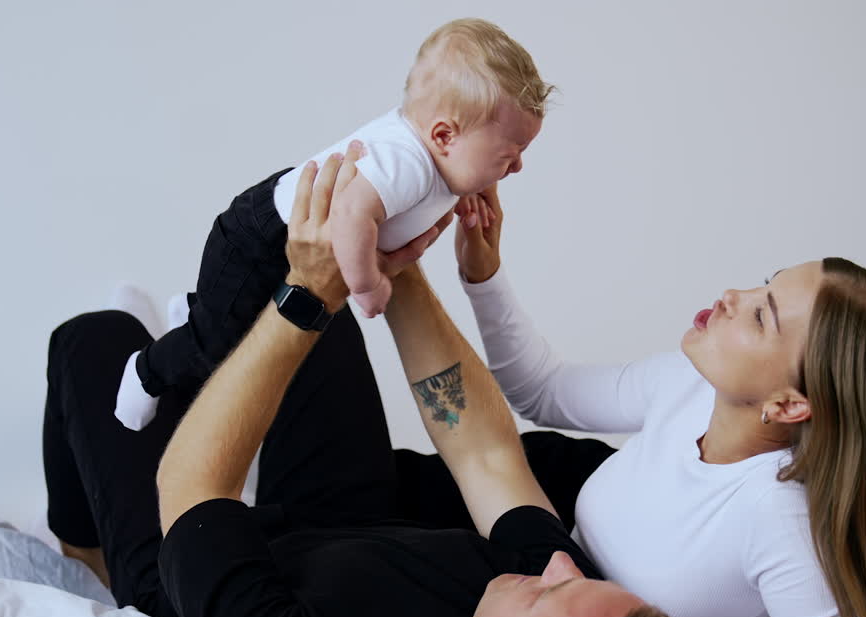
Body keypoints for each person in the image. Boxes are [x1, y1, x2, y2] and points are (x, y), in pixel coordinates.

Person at [42, 146, 693, 617]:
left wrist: (307, 294)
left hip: (196, 567)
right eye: (574, 578)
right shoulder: (548, 590)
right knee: (320, 313)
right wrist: (392, 256)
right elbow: (485, 453)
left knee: (94, 340)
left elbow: (194, 483)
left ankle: (86, 552)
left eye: (545, 597)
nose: (558, 563)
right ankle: (193, 355)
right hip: (347, 523)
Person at [402, 183, 866, 617]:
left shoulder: (774, 516)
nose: (732, 295)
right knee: (371, 480)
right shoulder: (691, 384)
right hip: (551, 502)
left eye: (761, 316)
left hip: (543, 577)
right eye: (764, 283)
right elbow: (544, 390)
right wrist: (483, 274)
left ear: (788, 405)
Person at [113, 17, 544, 431]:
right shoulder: (405, 162)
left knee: (249, 333)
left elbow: (434, 182)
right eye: (509, 155)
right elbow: (352, 214)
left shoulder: (438, 157)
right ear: (445, 137)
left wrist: (467, 184)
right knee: (219, 349)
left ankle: (201, 312)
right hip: (260, 239)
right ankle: (147, 367)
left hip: (285, 243)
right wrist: (368, 284)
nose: (519, 166)